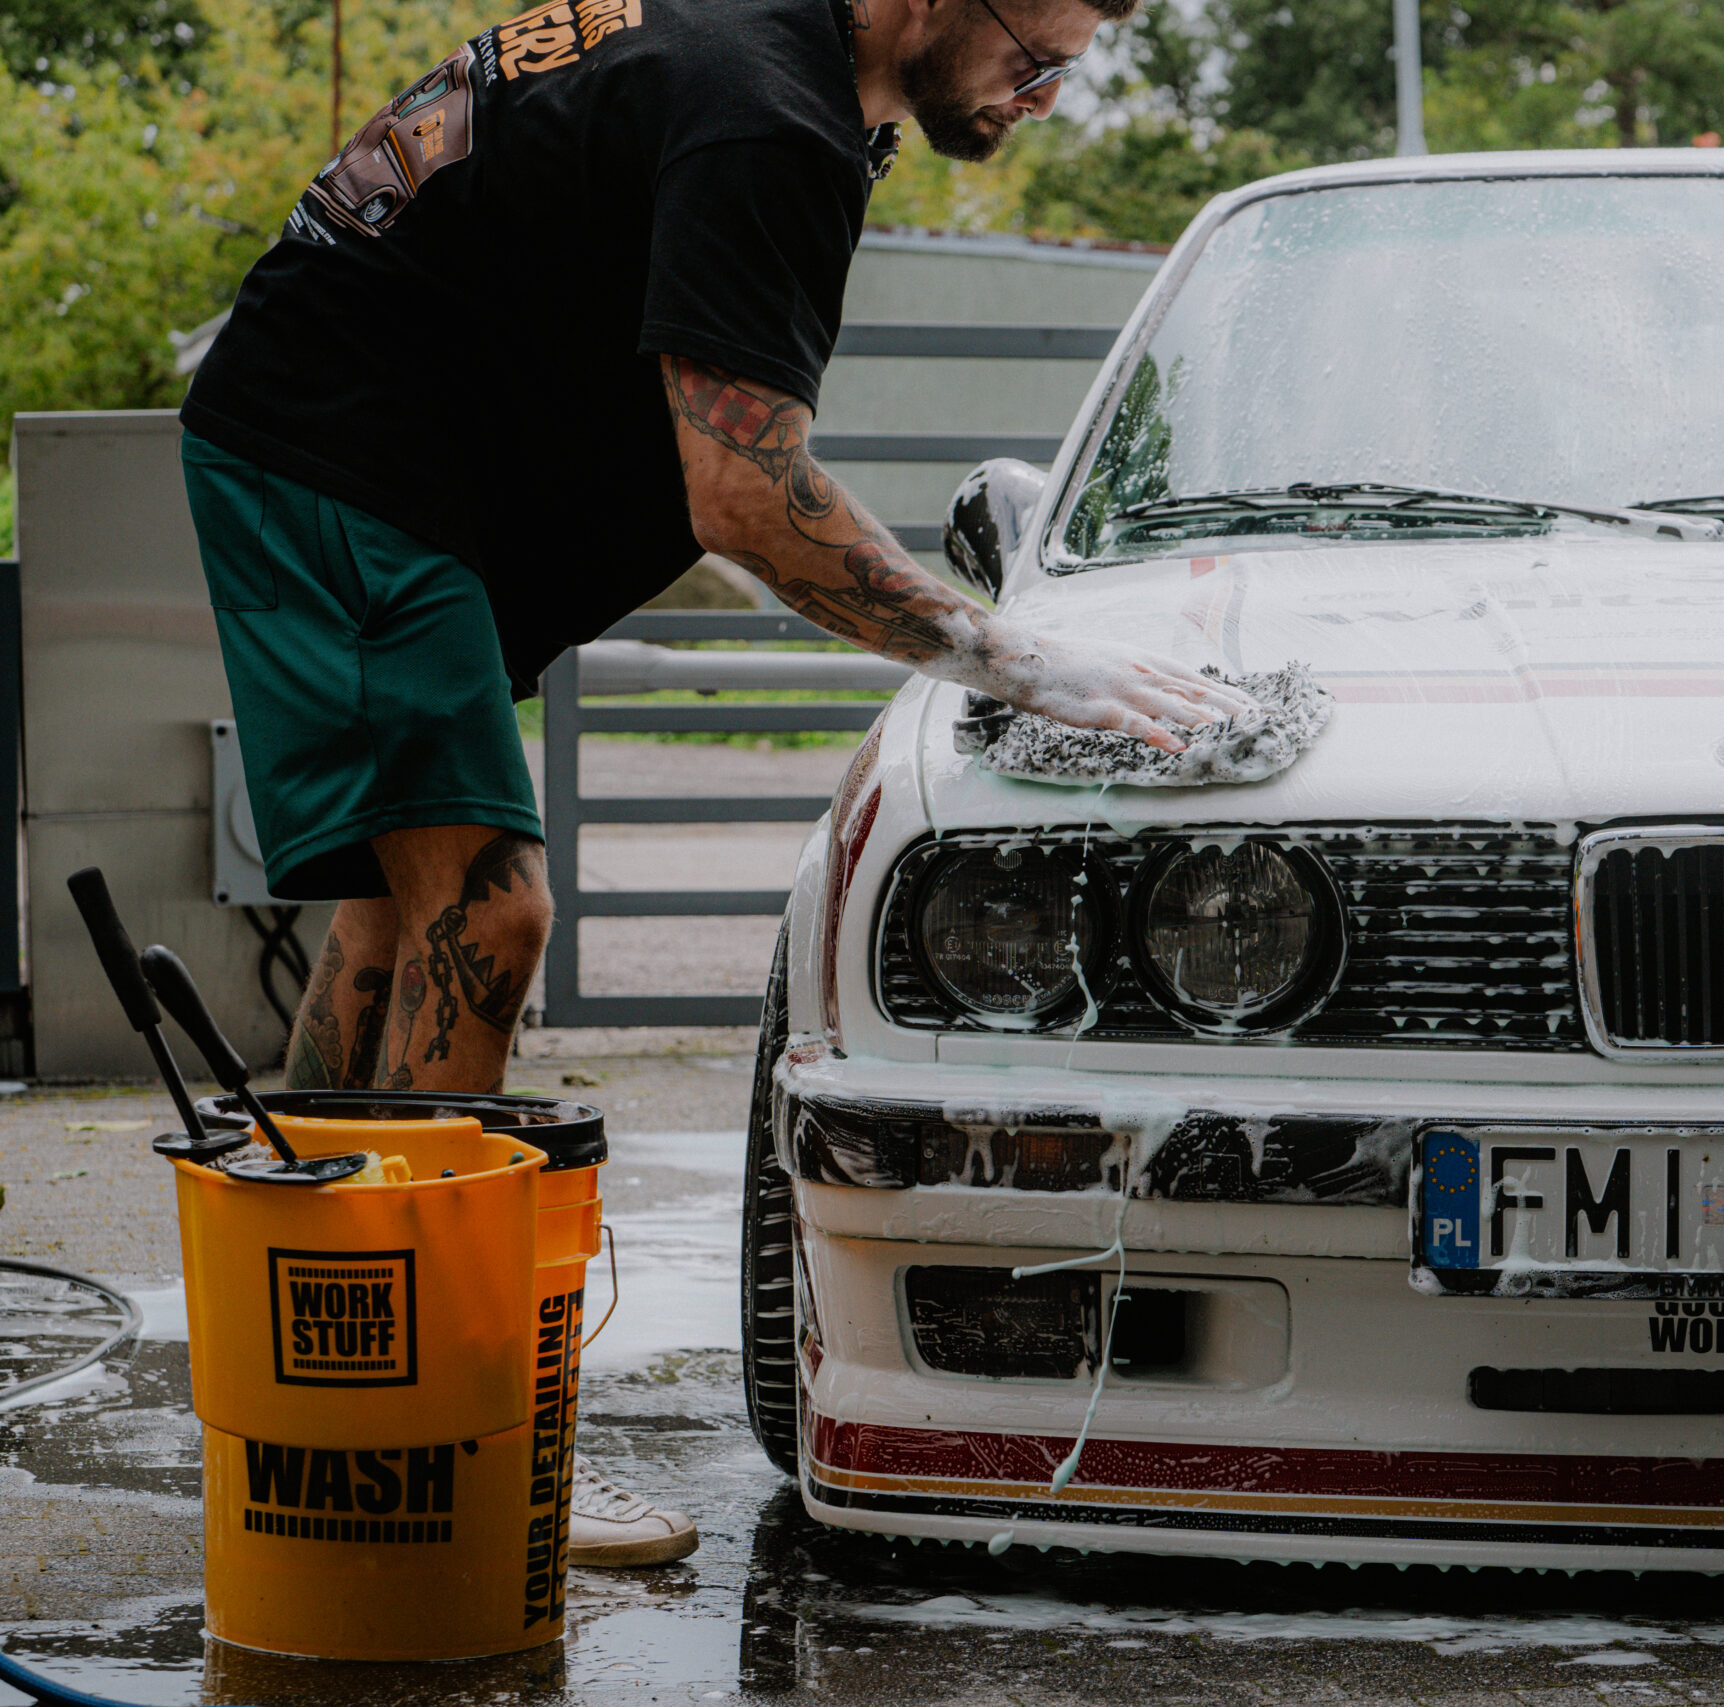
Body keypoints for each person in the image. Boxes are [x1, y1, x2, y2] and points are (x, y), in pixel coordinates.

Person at [176, 0, 1247, 1568]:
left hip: (347, 445)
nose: (1047, 88)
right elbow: (747, 494)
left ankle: (303, 1377)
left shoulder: (751, 52)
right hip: (349, 465)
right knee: (495, 912)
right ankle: (443, 1442)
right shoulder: (769, 114)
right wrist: (1012, 658)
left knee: (391, 926)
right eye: (1038, 44)